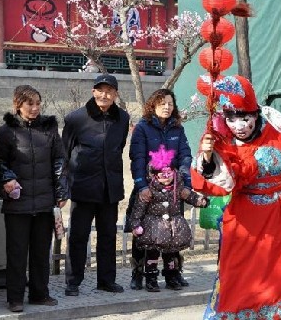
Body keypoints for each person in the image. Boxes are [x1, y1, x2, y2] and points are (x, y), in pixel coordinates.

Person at [192, 75, 281, 319]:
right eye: (231, 118)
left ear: (256, 114)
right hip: (244, 221)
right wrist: (207, 159)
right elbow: (223, 181)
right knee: (240, 278)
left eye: (245, 117)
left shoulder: (280, 127)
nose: (239, 125)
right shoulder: (221, 139)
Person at [0, 85, 69, 312]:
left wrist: (61, 192)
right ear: (18, 105)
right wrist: (7, 179)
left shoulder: (49, 128)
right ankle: (15, 298)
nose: (35, 108)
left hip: (45, 201)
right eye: (30, 104)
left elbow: (59, 161)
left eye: (38, 103)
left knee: (40, 251)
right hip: (18, 202)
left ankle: (39, 293)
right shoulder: (6, 131)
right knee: (17, 253)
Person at [62, 74, 130, 296]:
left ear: (116, 94)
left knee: (108, 236)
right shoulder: (76, 118)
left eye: (109, 91)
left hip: (110, 188)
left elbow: (118, 148)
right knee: (78, 236)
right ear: (93, 92)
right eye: (100, 90)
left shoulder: (123, 118)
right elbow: (65, 151)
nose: (105, 95)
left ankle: (106, 280)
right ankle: (73, 282)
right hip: (82, 186)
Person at [125, 88, 193, 291]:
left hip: (172, 190)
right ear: (153, 105)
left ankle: (173, 273)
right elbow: (137, 159)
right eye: (162, 103)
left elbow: (185, 157)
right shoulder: (142, 128)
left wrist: (185, 185)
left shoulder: (178, 129)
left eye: (170, 103)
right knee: (142, 234)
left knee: (174, 232)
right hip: (148, 189)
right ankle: (138, 274)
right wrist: (141, 186)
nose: (167, 107)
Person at [128, 145, 208, 292]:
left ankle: (171, 277)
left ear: (174, 172)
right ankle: (151, 279)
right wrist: (135, 225)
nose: (166, 177)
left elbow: (190, 196)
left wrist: (200, 201)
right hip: (153, 230)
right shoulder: (148, 191)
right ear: (155, 175)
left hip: (173, 230)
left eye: (169, 173)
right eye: (162, 174)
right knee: (151, 256)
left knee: (170, 256)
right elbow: (138, 209)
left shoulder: (179, 187)